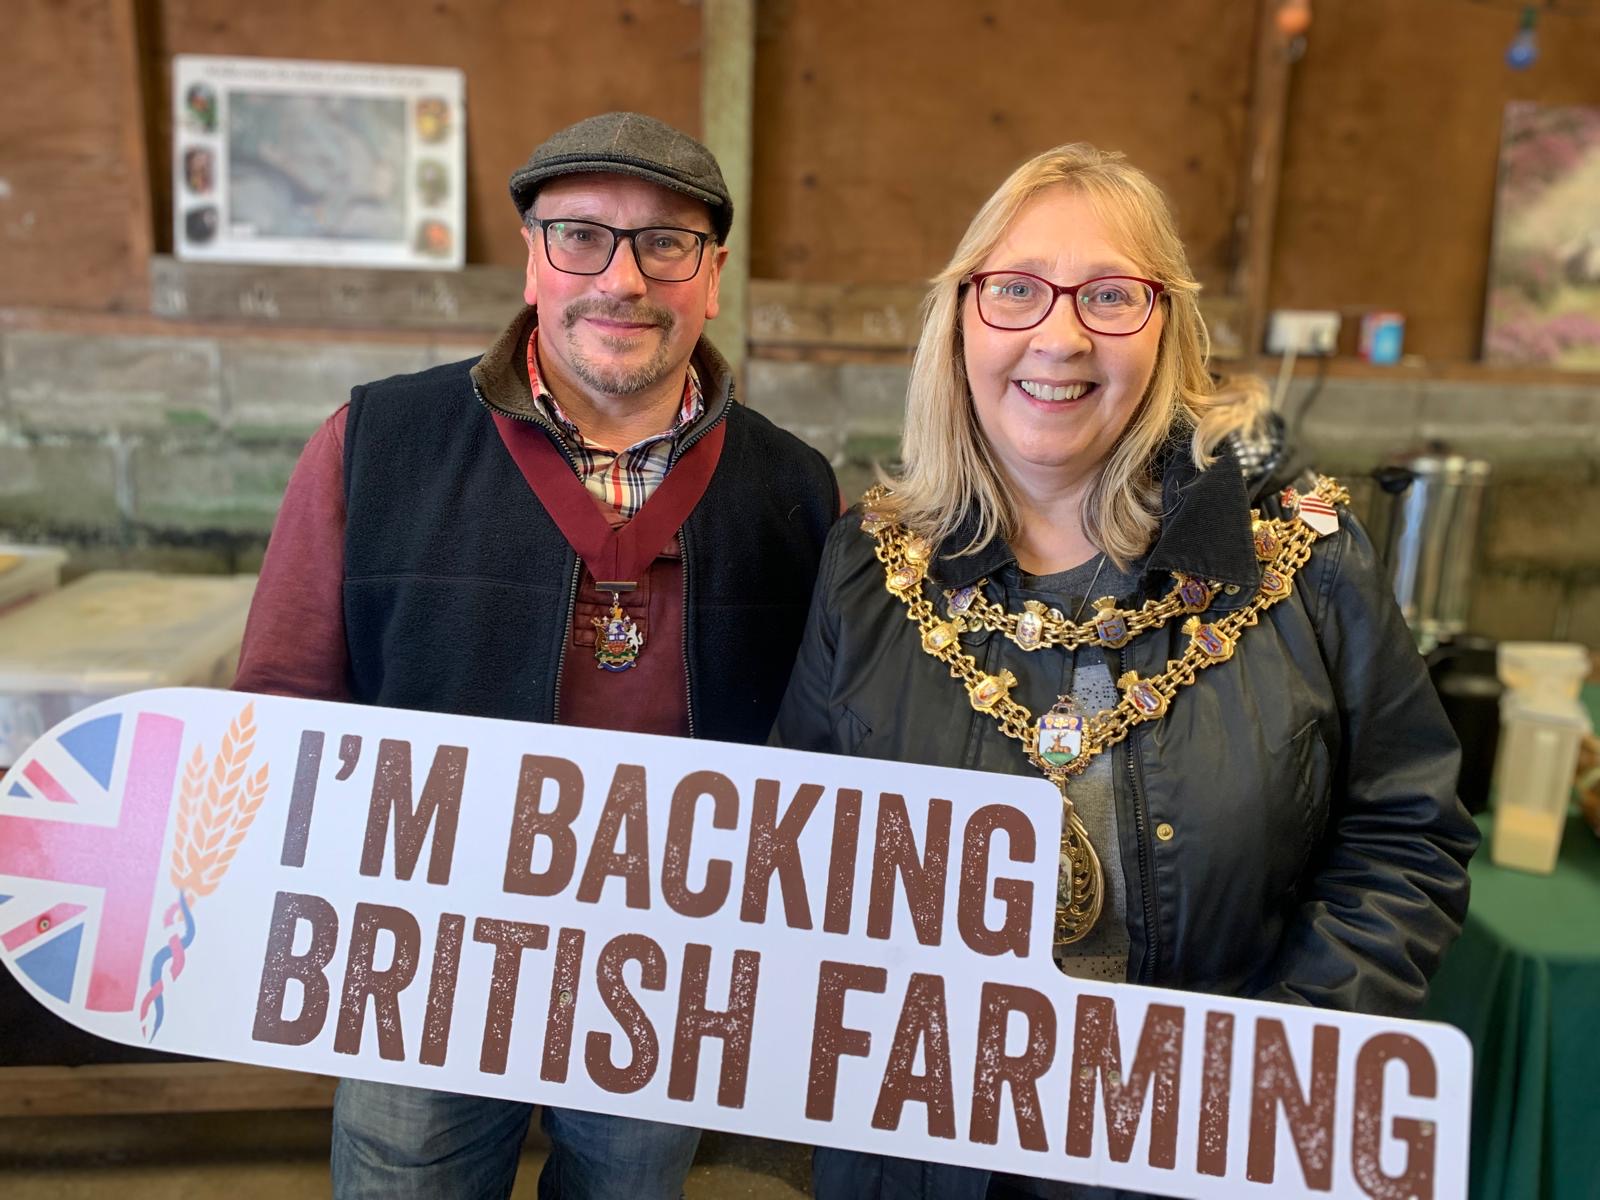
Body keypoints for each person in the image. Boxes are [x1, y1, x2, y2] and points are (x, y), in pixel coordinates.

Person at [770, 143, 1477, 1199]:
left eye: (1109, 294)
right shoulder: (868, 569)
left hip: (1204, 1146)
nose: (1057, 336)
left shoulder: (1306, 561)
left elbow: (1404, 832)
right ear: (960, 320)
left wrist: (1280, 1064)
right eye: (1013, 290)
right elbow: (801, 839)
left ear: (1168, 329)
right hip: (923, 1148)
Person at [233, 111, 839, 1200]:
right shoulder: (376, 444)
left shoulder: (798, 493)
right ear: (532, 261)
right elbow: (281, 700)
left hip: (665, 967)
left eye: (665, 242)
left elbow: (823, 746)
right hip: (416, 958)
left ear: (712, 276)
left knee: (625, 1188)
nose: (622, 278)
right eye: (581, 238)